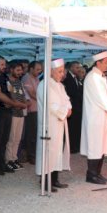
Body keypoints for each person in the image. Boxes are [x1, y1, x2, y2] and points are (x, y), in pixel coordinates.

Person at [80, 51, 107, 184]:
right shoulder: (92, 78)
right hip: (95, 118)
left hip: (103, 116)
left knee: (102, 146)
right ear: (98, 63)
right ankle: (91, 174)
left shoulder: (99, 76)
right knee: (95, 146)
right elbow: (101, 99)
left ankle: (97, 173)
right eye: (106, 62)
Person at [36, 58, 71, 192]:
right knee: (48, 152)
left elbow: (66, 100)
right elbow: (51, 105)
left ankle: (54, 179)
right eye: (59, 71)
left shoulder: (60, 85)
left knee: (57, 152)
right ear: (51, 71)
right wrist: (64, 111)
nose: (62, 74)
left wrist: (68, 109)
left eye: (62, 71)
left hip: (59, 124)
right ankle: (45, 181)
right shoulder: (44, 85)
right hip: (49, 125)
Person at [5, 61, 27, 170]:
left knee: (17, 138)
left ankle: (14, 158)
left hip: (20, 113)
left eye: (21, 70)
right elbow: (11, 96)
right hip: (13, 113)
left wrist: (24, 104)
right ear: (11, 70)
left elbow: (23, 95)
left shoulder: (19, 82)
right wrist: (19, 104)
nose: (20, 72)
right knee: (11, 138)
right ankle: (8, 159)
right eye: (18, 70)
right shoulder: (8, 82)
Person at [22, 61, 42, 163]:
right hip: (31, 110)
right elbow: (32, 93)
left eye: (40, 69)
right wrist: (43, 100)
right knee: (31, 134)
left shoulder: (37, 78)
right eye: (37, 69)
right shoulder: (26, 78)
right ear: (31, 69)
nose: (40, 71)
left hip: (37, 109)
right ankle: (30, 155)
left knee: (35, 133)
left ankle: (34, 154)